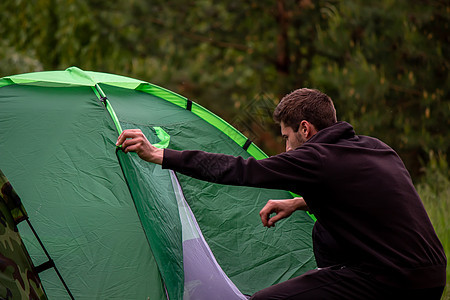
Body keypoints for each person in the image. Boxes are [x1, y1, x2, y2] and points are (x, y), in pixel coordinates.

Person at [116, 88, 446, 299]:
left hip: (392, 282)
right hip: (431, 276)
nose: (285, 147)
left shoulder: (315, 157)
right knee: (323, 230)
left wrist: (161, 155)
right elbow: (368, 196)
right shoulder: (375, 148)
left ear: (306, 129)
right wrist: (299, 202)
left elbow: (241, 170)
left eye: (287, 136)